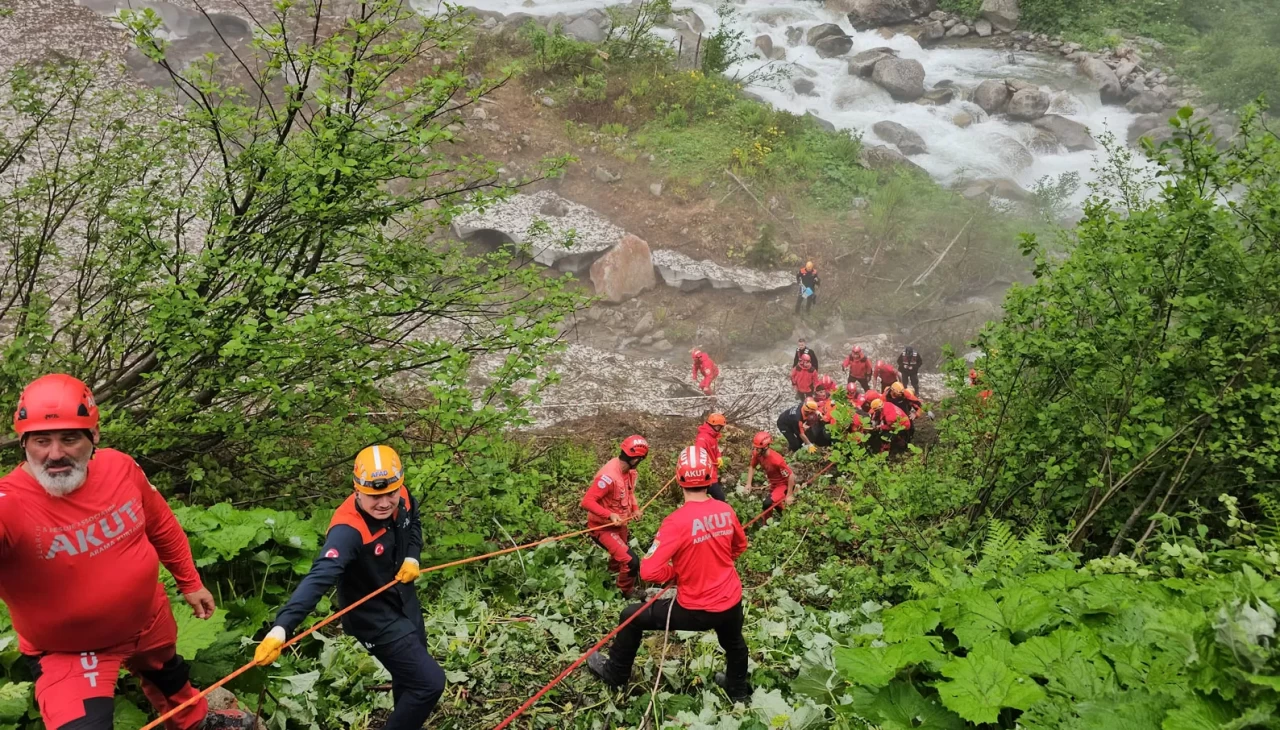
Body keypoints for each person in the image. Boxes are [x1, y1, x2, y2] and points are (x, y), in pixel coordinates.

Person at [0, 374, 256, 730]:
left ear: (94, 437)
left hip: (147, 619)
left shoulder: (120, 467)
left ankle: (193, 720)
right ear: (24, 444)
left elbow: (161, 524)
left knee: (168, 673)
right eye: (41, 441)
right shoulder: (10, 504)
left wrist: (190, 581)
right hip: (71, 652)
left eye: (70, 438)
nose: (55, 454)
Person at [255, 445, 444, 730]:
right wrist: (282, 628)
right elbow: (319, 577)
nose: (384, 503)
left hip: (404, 600)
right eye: (374, 496)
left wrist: (411, 556)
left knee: (410, 678)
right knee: (430, 682)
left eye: (390, 494)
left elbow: (413, 522)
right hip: (374, 618)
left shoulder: (401, 497)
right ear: (357, 491)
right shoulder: (348, 531)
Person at [586, 446, 751, 701]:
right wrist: (709, 566)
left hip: (696, 610)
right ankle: (737, 691)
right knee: (735, 643)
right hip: (731, 600)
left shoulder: (676, 521)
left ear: (679, 478)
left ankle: (615, 674)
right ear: (709, 476)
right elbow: (739, 546)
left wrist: (677, 573)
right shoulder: (726, 510)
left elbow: (649, 570)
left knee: (631, 617)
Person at [580, 435, 649, 597]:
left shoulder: (628, 472)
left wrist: (635, 509)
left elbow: (629, 492)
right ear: (636, 459)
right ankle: (625, 591)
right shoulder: (608, 477)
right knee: (631, 561)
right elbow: (587, 502)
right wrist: (609, 515)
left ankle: (612, 574)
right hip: (602, 528)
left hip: (620, 525)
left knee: (619, 557)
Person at [745, 432, 796, 520]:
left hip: (783, 485)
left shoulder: (776, 460)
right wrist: (748, 483)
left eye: (758, 449)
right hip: (773, 484)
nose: (756, 450)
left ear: (765, 447)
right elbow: (752, 467)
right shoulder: (757, 454)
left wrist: (789, 495)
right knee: (773, 505)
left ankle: (786, 520)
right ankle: (776, 522)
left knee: (767, 503)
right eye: (755, 448)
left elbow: (791, 475)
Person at [695, 414, 729, 502]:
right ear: (715, 426)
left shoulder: (712, 436)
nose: (721, 429)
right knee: (720, 498)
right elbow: (698, 453)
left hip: (712, 472)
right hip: (707, 474)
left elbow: (716, 450)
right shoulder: (703, 438)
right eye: (720, 426)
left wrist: (718, 457)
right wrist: (708, 463)